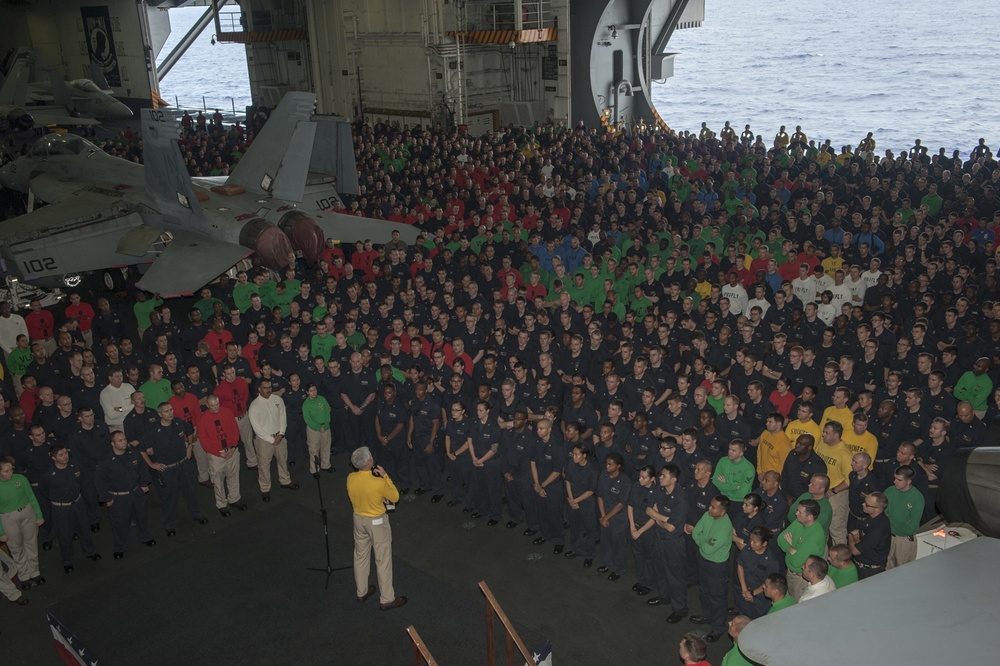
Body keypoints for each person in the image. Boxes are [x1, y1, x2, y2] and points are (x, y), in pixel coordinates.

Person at [346, 446, 406, 610]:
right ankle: (387, 598)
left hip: (358, 519)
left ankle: (362, 591)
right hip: (377, 523)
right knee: (383, 560)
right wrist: (385, 476)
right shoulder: (378, 482)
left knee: (360, 556)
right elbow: (395, 496)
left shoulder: (350, 478)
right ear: (369, 462)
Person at [140, 402, 209, 537]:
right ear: (160, 414)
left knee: (191, 492)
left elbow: (189, 432)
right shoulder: (154, 431)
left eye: (171, 410)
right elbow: (141, 449)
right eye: (166, 411)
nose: (170, 412)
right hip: (168, 470)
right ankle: (170, 525)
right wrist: (151, 464)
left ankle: (197, 514)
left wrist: (189, 446)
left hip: (183, 465)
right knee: (169, 498)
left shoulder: (178, 422)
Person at [39, 444, 101, 572]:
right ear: (53, 458)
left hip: (78, 503)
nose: (65, 456)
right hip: (61, 509)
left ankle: (90, 552)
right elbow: (44, 491)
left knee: (84, 529)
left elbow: (80, 482)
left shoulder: (74, 465)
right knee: (64, 535)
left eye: (65, 453)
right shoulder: (49, 474)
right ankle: (67, 560)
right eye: (61, 455)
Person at [95, 431, 156, 559]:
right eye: (120, 440)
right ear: (112, 443)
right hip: (118, 497)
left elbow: (142, 469)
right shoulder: (106, 461)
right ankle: (120, 547)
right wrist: (106, 498)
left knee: (142, 517)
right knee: (119, 523)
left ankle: (145, 537)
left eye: (124, 439)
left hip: (136, 492)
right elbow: (100, 482)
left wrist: (144, 484)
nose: (124, 442)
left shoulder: (133, 453)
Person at [645, 463, 688, 622]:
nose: (660, 477)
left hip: (673, 543)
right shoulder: (660, 490)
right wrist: (661, 518)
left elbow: (671, 527)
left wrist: (657, 518)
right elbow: (648, 509)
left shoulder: (681, 498)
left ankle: (680, 609)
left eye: (664, 475)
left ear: (674, 479)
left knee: (675, 577)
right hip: (659, 540)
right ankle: (664, 597)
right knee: (660, 571)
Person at [690, 495, 733, 642]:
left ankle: (719, 627)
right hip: (704, 562)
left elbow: (708, 549)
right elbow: (695, 532)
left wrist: (702, 539)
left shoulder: (725, 527)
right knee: (704, 590)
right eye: (710, 504)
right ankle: (706, 615)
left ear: (722, 512)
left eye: (713, 507)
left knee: (717, 597)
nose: (709, 508)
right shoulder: (707, 515)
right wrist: (704, 539)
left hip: (717, 567)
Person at [197, 395, 247, 517]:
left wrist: (233, 446)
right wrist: (218, 453)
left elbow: (235, 429)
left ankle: (234, 499)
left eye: (217, 404)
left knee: (233, 475)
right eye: (212, 405)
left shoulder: (227, 412)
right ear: (207, 405)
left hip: (232, 451)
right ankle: (221, 504)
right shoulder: (203, 420)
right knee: (218, 480)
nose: (216, 407)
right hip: (217, 455)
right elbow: (204, 441)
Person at [0, 457, 45, 590]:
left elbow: (31, 497)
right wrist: (1, 532)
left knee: (31, 543)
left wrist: (39, 515)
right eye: (6, 471)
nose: (10, 473)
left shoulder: (20, 479)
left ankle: (34, 572)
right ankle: (24, 576)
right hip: (8, 518)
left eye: (11, 470)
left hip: (27, 512)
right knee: (16, 547)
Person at [777, 498, 826, 600]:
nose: (796, 514)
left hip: (799, 579)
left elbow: (796, 562)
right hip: (791, 574)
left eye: (800, 512)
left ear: (810, 517)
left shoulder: (814, 536)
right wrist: (791, 549)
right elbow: (780, 539)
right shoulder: (800, 522)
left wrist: (791, 546)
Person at [596, 451, 630, 581]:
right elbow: (599, 495)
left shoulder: (625, 481)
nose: (607, 466)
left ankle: (619, 569)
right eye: (606, 464)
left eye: (611, 464)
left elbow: (621, 504)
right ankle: (608, 564)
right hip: (604, 513)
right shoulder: (604, 475)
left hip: (618, 518)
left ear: (618, 466)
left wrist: (607, 517)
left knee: (618, 544)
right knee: (606, 542)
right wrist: (603, 516)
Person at [563, 443, 598, 566]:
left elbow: (591, 490)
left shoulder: (592, 469)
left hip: (586, 502)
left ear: (584, 456)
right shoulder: (571, 464)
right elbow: (568, 480)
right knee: (575, 527)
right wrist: (571, 499)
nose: (574, 457)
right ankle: (576, 549)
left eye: (577, 455)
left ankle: (589, 554)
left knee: (589, 529)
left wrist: (576, 501)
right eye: (573, 454)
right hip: (572, 499)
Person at [885, 465, 925, 569]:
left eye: (899, 480)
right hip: (889, 537)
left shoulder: (917, 498)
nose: (895, 482)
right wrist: (898, 521)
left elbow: (910, 528)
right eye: (895, 478)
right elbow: (883, 514)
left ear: (908, 481)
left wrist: (890, 518)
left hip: (904, 541)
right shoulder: (890, 491)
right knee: (887, 567)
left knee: (903, 569)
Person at [849, 490, 891, 578]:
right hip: (861, 566)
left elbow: (855, 551)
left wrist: (850, 536)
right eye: (865, 501)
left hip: (870, 571)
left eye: (867, 504)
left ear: (878, 509)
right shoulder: (870, 518)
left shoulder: (879, 527)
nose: (863, 504)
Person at [302, 382, 333, 475]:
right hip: (314, 429)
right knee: (314, 449)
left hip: (325, 427)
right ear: (307, 392)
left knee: (326, 446)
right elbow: (307, 419)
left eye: (315, 390)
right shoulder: (306, 404)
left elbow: (327, 412)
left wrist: (325, 425)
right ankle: (314, 469)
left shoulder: (322, 399)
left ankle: (326, 465)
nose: (314, 392)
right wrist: (318, 427)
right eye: (311, 391)